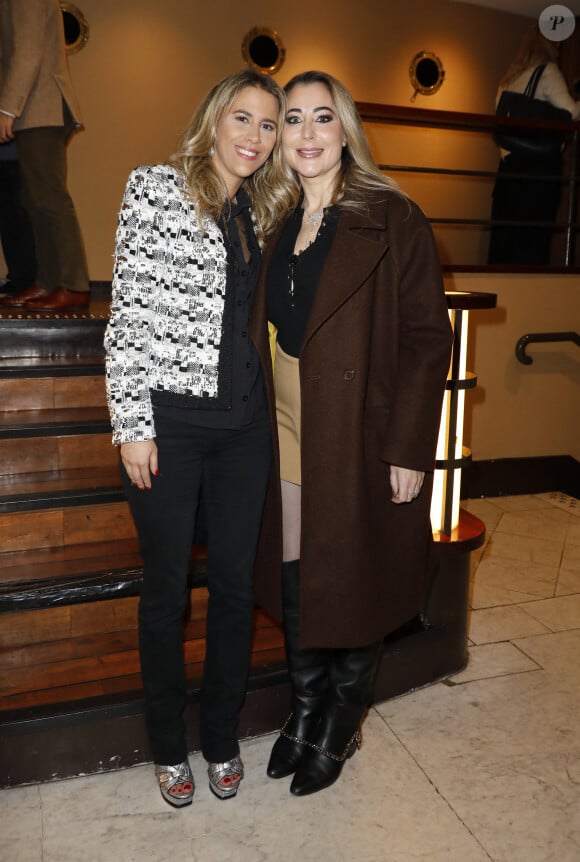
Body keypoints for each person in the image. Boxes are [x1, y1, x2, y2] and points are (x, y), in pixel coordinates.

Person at [249, 70, 453, 797]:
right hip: (283, 429)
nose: (306, 133)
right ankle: (305, 710)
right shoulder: (275, 222)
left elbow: (429, 341)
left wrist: (407, 447)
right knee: (301, 572)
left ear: (347, 131)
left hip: (357, 434)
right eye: (293, 118)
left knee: (356, 576)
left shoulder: (391, 216)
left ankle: (342, 718)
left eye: (322, 118)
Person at [104, 69, 287, 808]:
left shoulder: (267, 208)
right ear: (214, 120)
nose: (253, 136)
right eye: (241, 118)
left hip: (245, 429)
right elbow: (129, 316)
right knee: (167, 592)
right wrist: (132, 427)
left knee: (238, 591)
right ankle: (166, 742)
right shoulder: (155, 186)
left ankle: (219, 734)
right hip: (170, 428)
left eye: (267, 125)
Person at [0, 0, 90, 312]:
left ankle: (73, 284)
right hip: (35, 108)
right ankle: (49, 281)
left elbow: (27, 50)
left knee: (49, 198)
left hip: (42, 106)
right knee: (35, 199)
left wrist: (7, 107)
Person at [488, 25, 580, 265]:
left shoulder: (509, 77)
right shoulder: (547, 71)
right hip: (537, 170)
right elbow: (570, 111)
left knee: (504, 243)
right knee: (532, 244)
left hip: (508, 169)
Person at [0, 139, 37, 296]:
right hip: (6, 157)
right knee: (7, 221)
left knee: (23, 219)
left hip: (22, 154)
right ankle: (18, 279)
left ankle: (30, 281)